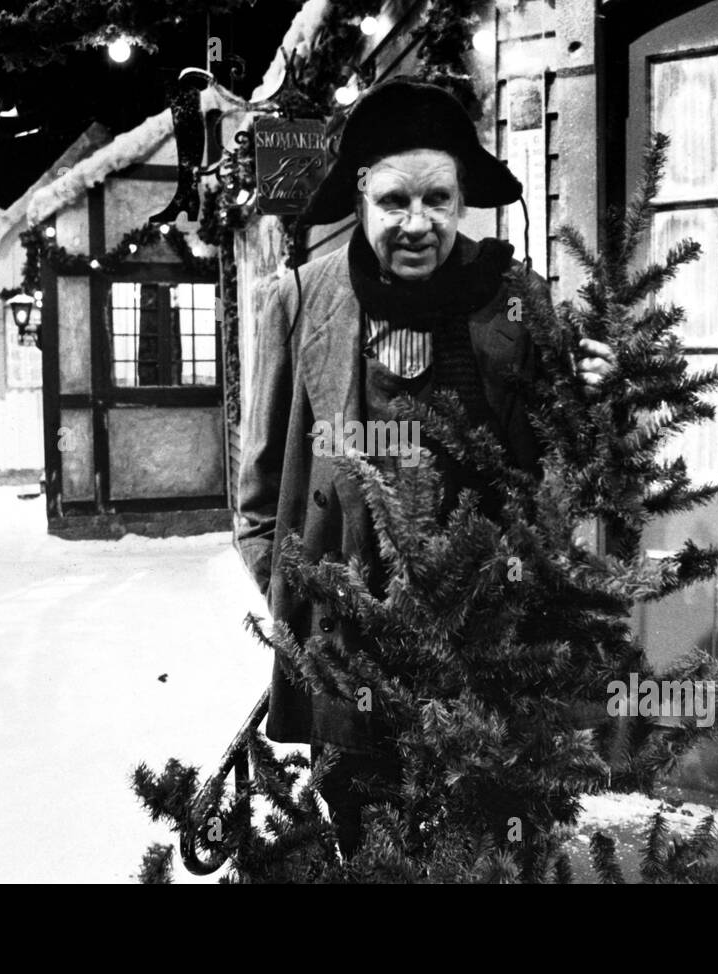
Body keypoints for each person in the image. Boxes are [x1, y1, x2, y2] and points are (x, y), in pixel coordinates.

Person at [237, 77, 614, 856]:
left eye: (438, 200)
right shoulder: (303, 300)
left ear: (463, 200)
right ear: (361, 199)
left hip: (490, 631)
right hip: (355, 639)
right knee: (366, 832)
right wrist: (306, 593)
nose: (418, 224)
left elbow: (566, 467)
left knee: (490, 839)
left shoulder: (515, 298)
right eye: (394, 202)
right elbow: (259, 489)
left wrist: (593, 398)